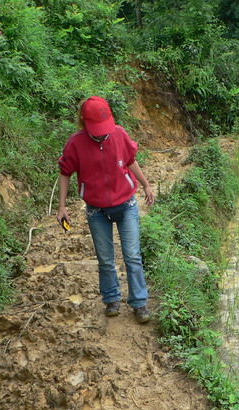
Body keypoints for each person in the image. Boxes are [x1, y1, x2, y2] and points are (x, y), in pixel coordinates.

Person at [56, 96, 155, 322]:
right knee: (105, 258)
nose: (102, 133)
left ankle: (139, 303)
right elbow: (65, 172)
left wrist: (147, 184)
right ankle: (111, 299)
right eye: (96, 129)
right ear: (83, 122)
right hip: (96, 210)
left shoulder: (119, 134)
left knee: (132, 256)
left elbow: (130, 160)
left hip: (126, 205)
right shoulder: (75, 144)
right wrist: (62, 206)